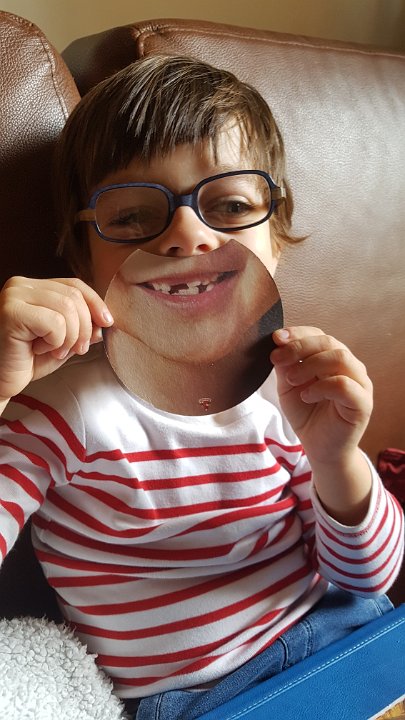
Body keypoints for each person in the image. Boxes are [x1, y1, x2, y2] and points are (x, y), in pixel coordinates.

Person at [0, 56, 403, 720]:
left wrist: (337, 458)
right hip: (199, 698)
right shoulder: (58, 409)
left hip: (343, 632)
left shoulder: (294, 380)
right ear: (80, 256)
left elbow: (368, 577)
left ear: (276, 238)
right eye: (133, 217)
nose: (188, 234)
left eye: (231, 206)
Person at [103, 240, 282, 413]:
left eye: (232, 213)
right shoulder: (86, 412)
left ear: (277, 245)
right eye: (129, 221)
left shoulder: (296, 399)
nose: (189, 237)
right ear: (87, 265)